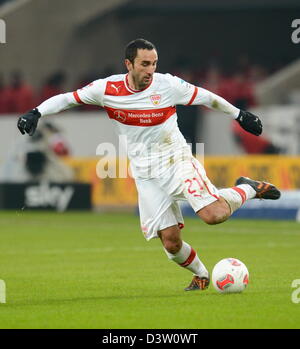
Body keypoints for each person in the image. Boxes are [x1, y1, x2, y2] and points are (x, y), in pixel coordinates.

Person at [17, 39, 281, 291]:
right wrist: (36, 112)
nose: (151, 70)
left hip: (176, 161)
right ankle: (202, 275)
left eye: (154, 63)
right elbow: (67, 98)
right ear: (128, 64)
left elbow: (205, 96)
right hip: (145, 173)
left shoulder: (167, 85)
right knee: (170, 243)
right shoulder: (107, 89)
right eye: (145, 64)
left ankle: (247, 188)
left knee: (212, 215)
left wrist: (240, 115)